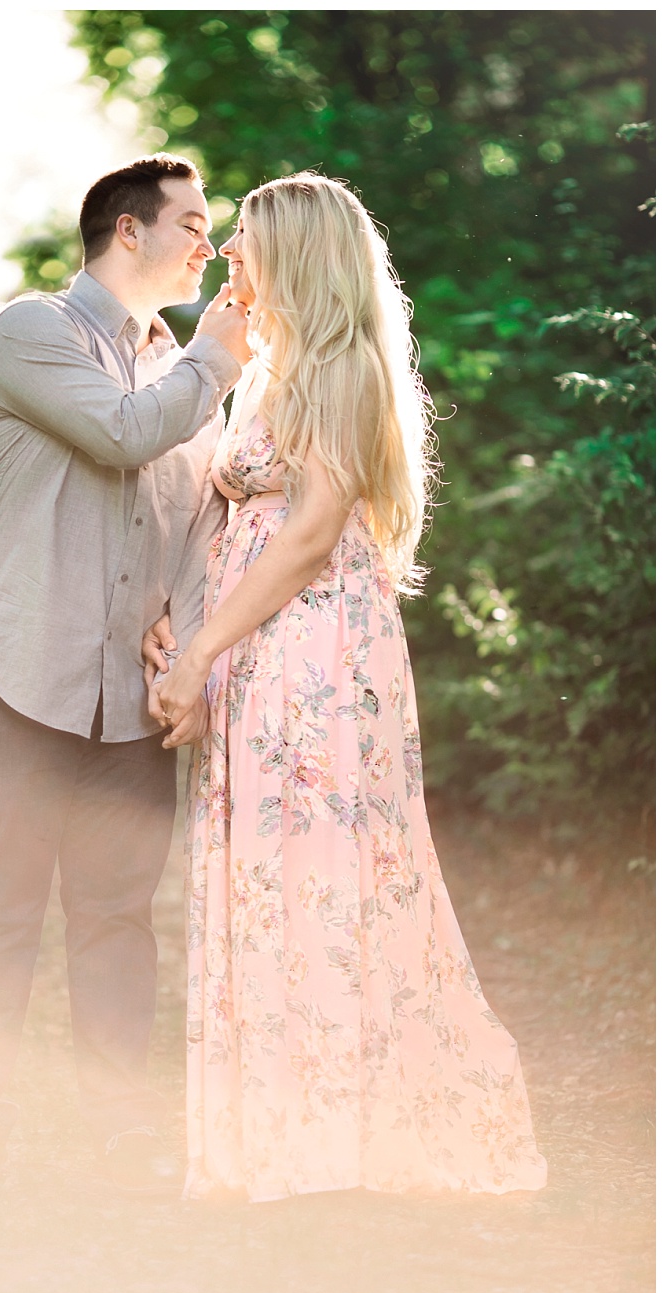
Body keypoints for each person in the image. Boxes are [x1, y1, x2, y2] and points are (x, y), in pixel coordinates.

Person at [149, 173, 548, 1203]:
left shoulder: (346, 368)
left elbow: (311, 534)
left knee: (322, 874)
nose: (230, 256)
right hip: (257, 651)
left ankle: (334, 1134)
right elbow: (231, 520)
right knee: (267, 878)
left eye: (245, 240)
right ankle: (275, 1129)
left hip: (315, 658)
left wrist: (203, 655)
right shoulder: (268, 372)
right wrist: (183, 631)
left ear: (299, 256)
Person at [0, 153, 251, 1201]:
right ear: (127, 231)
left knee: (117, 924)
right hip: (16, 679)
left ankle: (116, 1153)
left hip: (126, 698)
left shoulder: (177, 364)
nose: (211, 244)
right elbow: (122, 435)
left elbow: (192, 522)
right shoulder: (33, 331)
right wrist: (214, 363)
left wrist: (186, 646)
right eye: (194, 225)